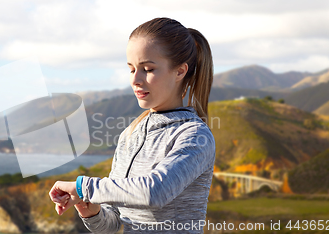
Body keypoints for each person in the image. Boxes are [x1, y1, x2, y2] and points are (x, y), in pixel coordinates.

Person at [49, 17, 216, 234]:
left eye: (147, 68)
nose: (135, 79)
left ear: (180, 71)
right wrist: (88, 208)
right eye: (131, 69)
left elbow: (154, 192)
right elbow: (110, 225)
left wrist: (84, 188)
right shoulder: (131, 134)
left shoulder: (194, 135)